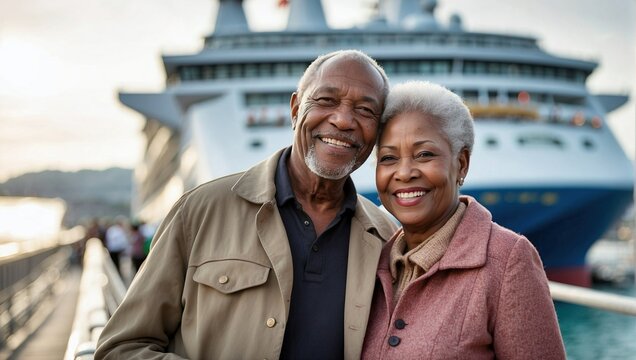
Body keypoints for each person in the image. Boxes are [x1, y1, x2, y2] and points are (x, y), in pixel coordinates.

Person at [95, 49, 398, 360]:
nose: (343, 119)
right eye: (325, 101)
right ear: (295, 110)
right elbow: (121, 348)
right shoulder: (201, 211)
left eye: (365, 110)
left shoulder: (387, 237)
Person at [362, 81, 566, 359]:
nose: (404, 172)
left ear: (461, 164)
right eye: (388, 158)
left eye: (424, 154)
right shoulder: (371, 259)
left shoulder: (507, 261)